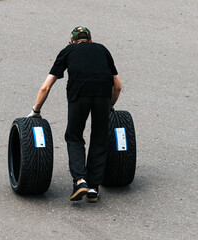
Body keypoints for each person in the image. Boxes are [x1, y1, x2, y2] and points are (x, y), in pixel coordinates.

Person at [28, 26, 121, 202]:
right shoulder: (102, 50)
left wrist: (36, 110)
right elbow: (118, 86)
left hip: (79, 95)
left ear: (72, 41)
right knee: (100, 138)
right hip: (103, 95)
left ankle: (80, 180)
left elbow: (46, 86)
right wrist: (110, 106)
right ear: (91, 40)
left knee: (74, 136)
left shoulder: (68, 51)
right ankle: (93, 188)